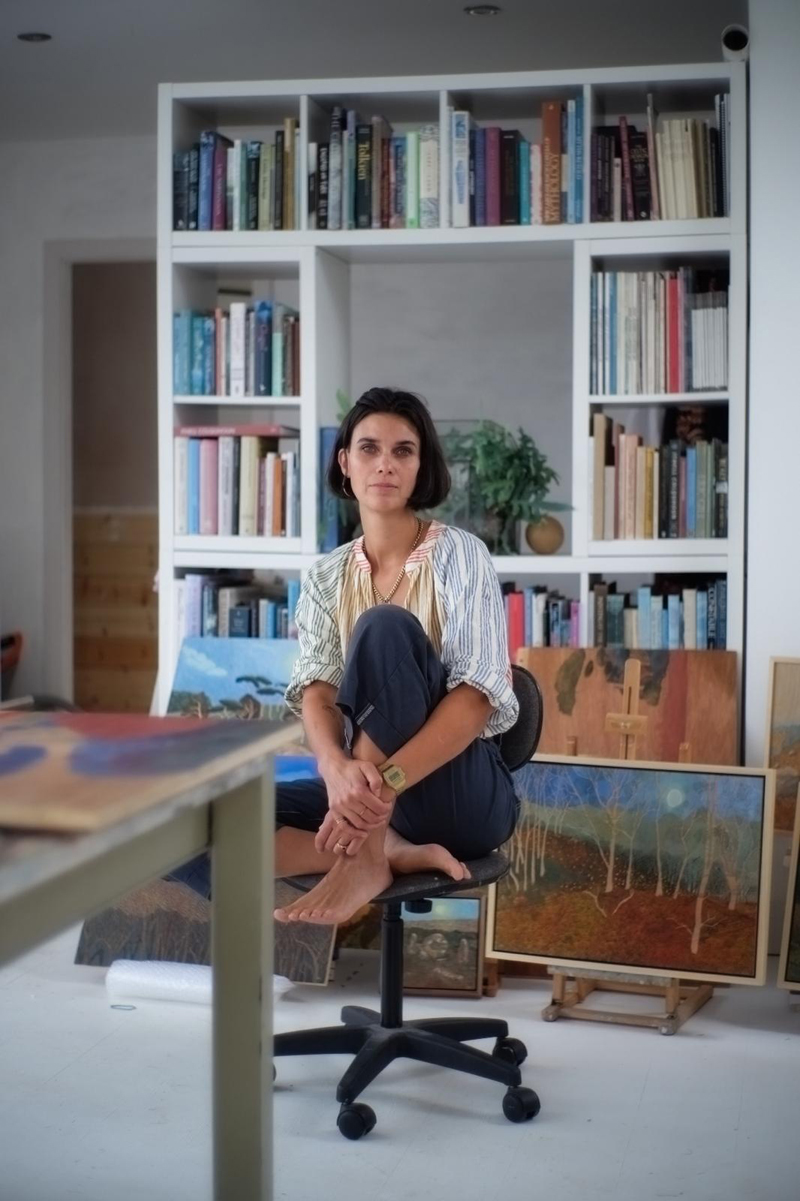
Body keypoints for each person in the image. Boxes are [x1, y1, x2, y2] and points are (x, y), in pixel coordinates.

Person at [274, 387, 520, 927]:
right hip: (380, 803)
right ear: (345, 462)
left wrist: (378, 791)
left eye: (403, 451)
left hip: (458, 795)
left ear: (421, 466)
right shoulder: (325, 576)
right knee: (218, 821)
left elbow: (476, 701)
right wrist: (335, 770)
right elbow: (317, 691)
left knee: (383, 625)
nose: (385, 464)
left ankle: (364, 854)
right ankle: (388, 851)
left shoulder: (461, 555)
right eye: (369, 449)